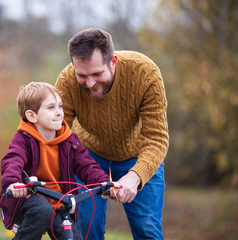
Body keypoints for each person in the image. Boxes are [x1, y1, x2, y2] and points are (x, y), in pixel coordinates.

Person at [55, 28, 169, 240]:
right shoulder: (67, 80)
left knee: (147, 229)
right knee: (88, 228)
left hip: (138, 153)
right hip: (87, 154)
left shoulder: (146, 73)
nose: (89, 83)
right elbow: (56, 135)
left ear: (113, 61)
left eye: (97, 74)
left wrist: (135, 177)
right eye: (82, 75)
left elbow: (157, 138)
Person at [0, 81, 120, 240]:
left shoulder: (69, 140)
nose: (59, 112)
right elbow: (12, 161)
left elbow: (86, 165)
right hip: (28, 200)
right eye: (51, 107)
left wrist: (104, 183)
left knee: (72, 237)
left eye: (60, 106)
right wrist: (13, 183)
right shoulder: (23, 139)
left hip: (59, 202)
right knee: (42, 210)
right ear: (32, 116)